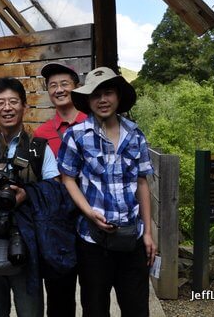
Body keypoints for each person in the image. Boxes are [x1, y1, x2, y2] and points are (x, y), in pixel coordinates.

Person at [57, 67, 156, 316]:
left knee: (136, 309)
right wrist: (89, 213)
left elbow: (142, 182)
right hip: (93, 241)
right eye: (95, 94)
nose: (102, 100)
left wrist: (148, 234)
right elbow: (68, 178)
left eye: (108, 92)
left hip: (132, 237)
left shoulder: (135, 134)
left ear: (118, 96)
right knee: (95, 308)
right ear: (88, 100)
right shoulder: (76, 136)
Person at [0, 78, 59, 317]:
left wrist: (26, 193)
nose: (7, 108)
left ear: (24, 106)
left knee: (31, 311)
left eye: (13, 102)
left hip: (28, 240)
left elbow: (56, 188)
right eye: (0, 103)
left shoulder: (39, 148)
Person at [33, 62, 86, 316]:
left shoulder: (93, 123)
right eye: (53, 85)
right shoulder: (40, 134)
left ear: (76, 87)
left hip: (91, 222)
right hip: (57, 228)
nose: (59, 89)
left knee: (93, 295)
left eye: (64, 84)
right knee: (58, 298)